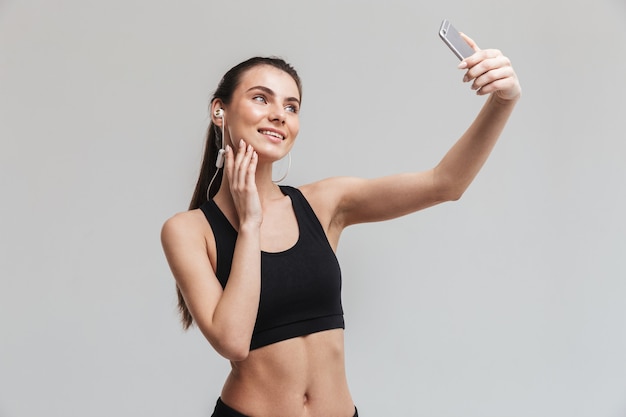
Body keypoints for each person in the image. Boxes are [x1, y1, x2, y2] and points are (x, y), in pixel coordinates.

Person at [160, 32, 521, 417]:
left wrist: (503, 101)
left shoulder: (325, 203)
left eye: (292, 106)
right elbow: (233, 342)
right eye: (261, 98)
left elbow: (445, 184)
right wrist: (249, 223)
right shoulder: (188, 231)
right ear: (220, 110)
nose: (279, 114)